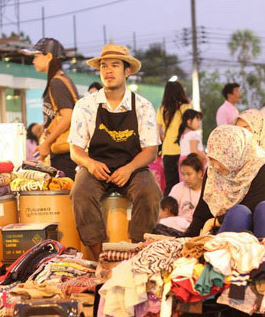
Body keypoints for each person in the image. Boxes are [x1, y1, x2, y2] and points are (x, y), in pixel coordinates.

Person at [69, 44, 162, 260]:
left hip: (133, 167)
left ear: (127, 71)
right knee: (80, 193)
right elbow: (75, 149)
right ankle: (101, 257)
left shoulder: (142, 106)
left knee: (150, 192)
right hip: (96, 167)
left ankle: (137, 253)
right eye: (103, 66)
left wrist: (129, 168)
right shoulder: (85, 105)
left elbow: (150, 150)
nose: (108, 71)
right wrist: (90, 164)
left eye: (115, 65)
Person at [185, 125, 265, 239]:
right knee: (239, 214)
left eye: (222, 159)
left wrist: (214, 222)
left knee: (264, 209)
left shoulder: (262, 166)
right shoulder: (212, 171)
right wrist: (186, 239)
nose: (215, 166)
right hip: (227, 233)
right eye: (212, 159)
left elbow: (254, 205)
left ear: (235, 153)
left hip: (258, 233)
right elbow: (202, 213)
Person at [22, 38, 79, 179]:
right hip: (65, 152)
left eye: (36, 56)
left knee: (64, 195)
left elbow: (68, 116)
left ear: (48, 56)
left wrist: (47, 143)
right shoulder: (61, 79)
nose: (33, 61)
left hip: (64, 154)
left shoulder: (56, 82)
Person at [156, 81, 192, 195]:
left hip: (168, 150)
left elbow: (158, 133)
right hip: (184, 150)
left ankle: (168, 209)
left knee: (171, 183)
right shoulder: (186, 107)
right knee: (186, 182)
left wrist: (165, 139)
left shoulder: (162, 109)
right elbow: (191, 128)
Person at [169, 153, 204, 223]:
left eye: (189, 174)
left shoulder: (208, 190)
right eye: (183, 174)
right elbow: (169, 211)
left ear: (200, 173)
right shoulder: (178, 188)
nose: (185, 178)